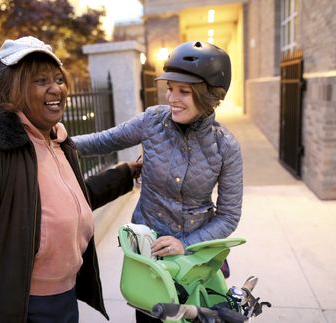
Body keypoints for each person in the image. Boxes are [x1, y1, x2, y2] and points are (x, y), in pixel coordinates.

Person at [0, 36, 141, 323]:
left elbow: (67, 202)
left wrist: (126, 173)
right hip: (21, 308)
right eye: (40, 81)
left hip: (65, 300)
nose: (56, 88)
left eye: (58, 79)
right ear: (10, 92)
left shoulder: (58, 142)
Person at [72, 41, 243, 322]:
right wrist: (57, 139)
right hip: (148, 254)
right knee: (151, 316)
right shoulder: (153, 120)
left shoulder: (226, 148)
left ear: (210, 95)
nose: (172, 98)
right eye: (170, 88)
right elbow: (103, 141)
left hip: (192, 261)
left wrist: (184, 244)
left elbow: (228, 215)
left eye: (184, 91)